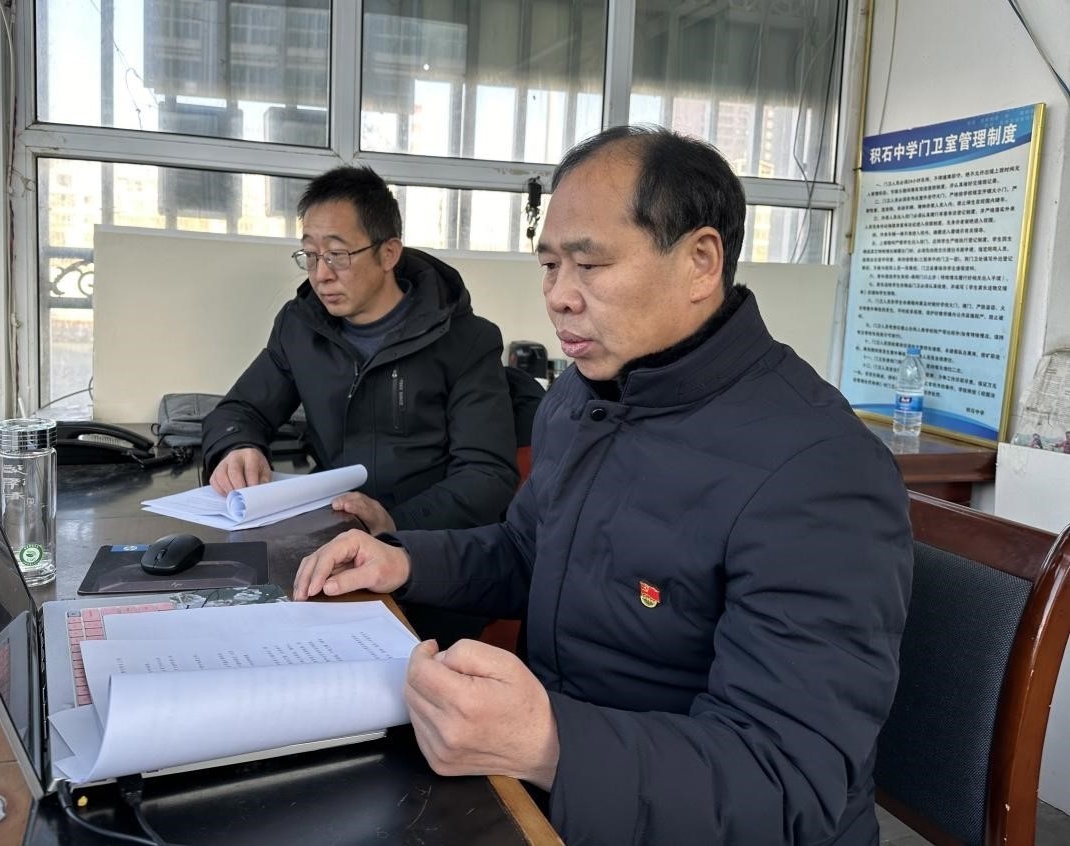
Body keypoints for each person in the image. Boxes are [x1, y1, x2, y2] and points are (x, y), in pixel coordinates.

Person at [293, 126, 914, 845]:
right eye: (549, 264)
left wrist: (547, 742)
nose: (558, 297)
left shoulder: (818, 470)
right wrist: (402, 559)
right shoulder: (584, 396)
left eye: (589, 265)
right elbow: (528, 552)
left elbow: (786, 783)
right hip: (553, 793)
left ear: (700, 262)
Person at [201, 165, 518, 536]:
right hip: (332, 527)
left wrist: (397, 524)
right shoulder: (300, 327)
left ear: (388, 254)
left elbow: (486, 476)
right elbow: (241, 409)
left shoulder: (467, 341)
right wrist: (237, 445)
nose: (321, 275)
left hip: (426, 542)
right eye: (311, 255)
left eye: (337, 255)